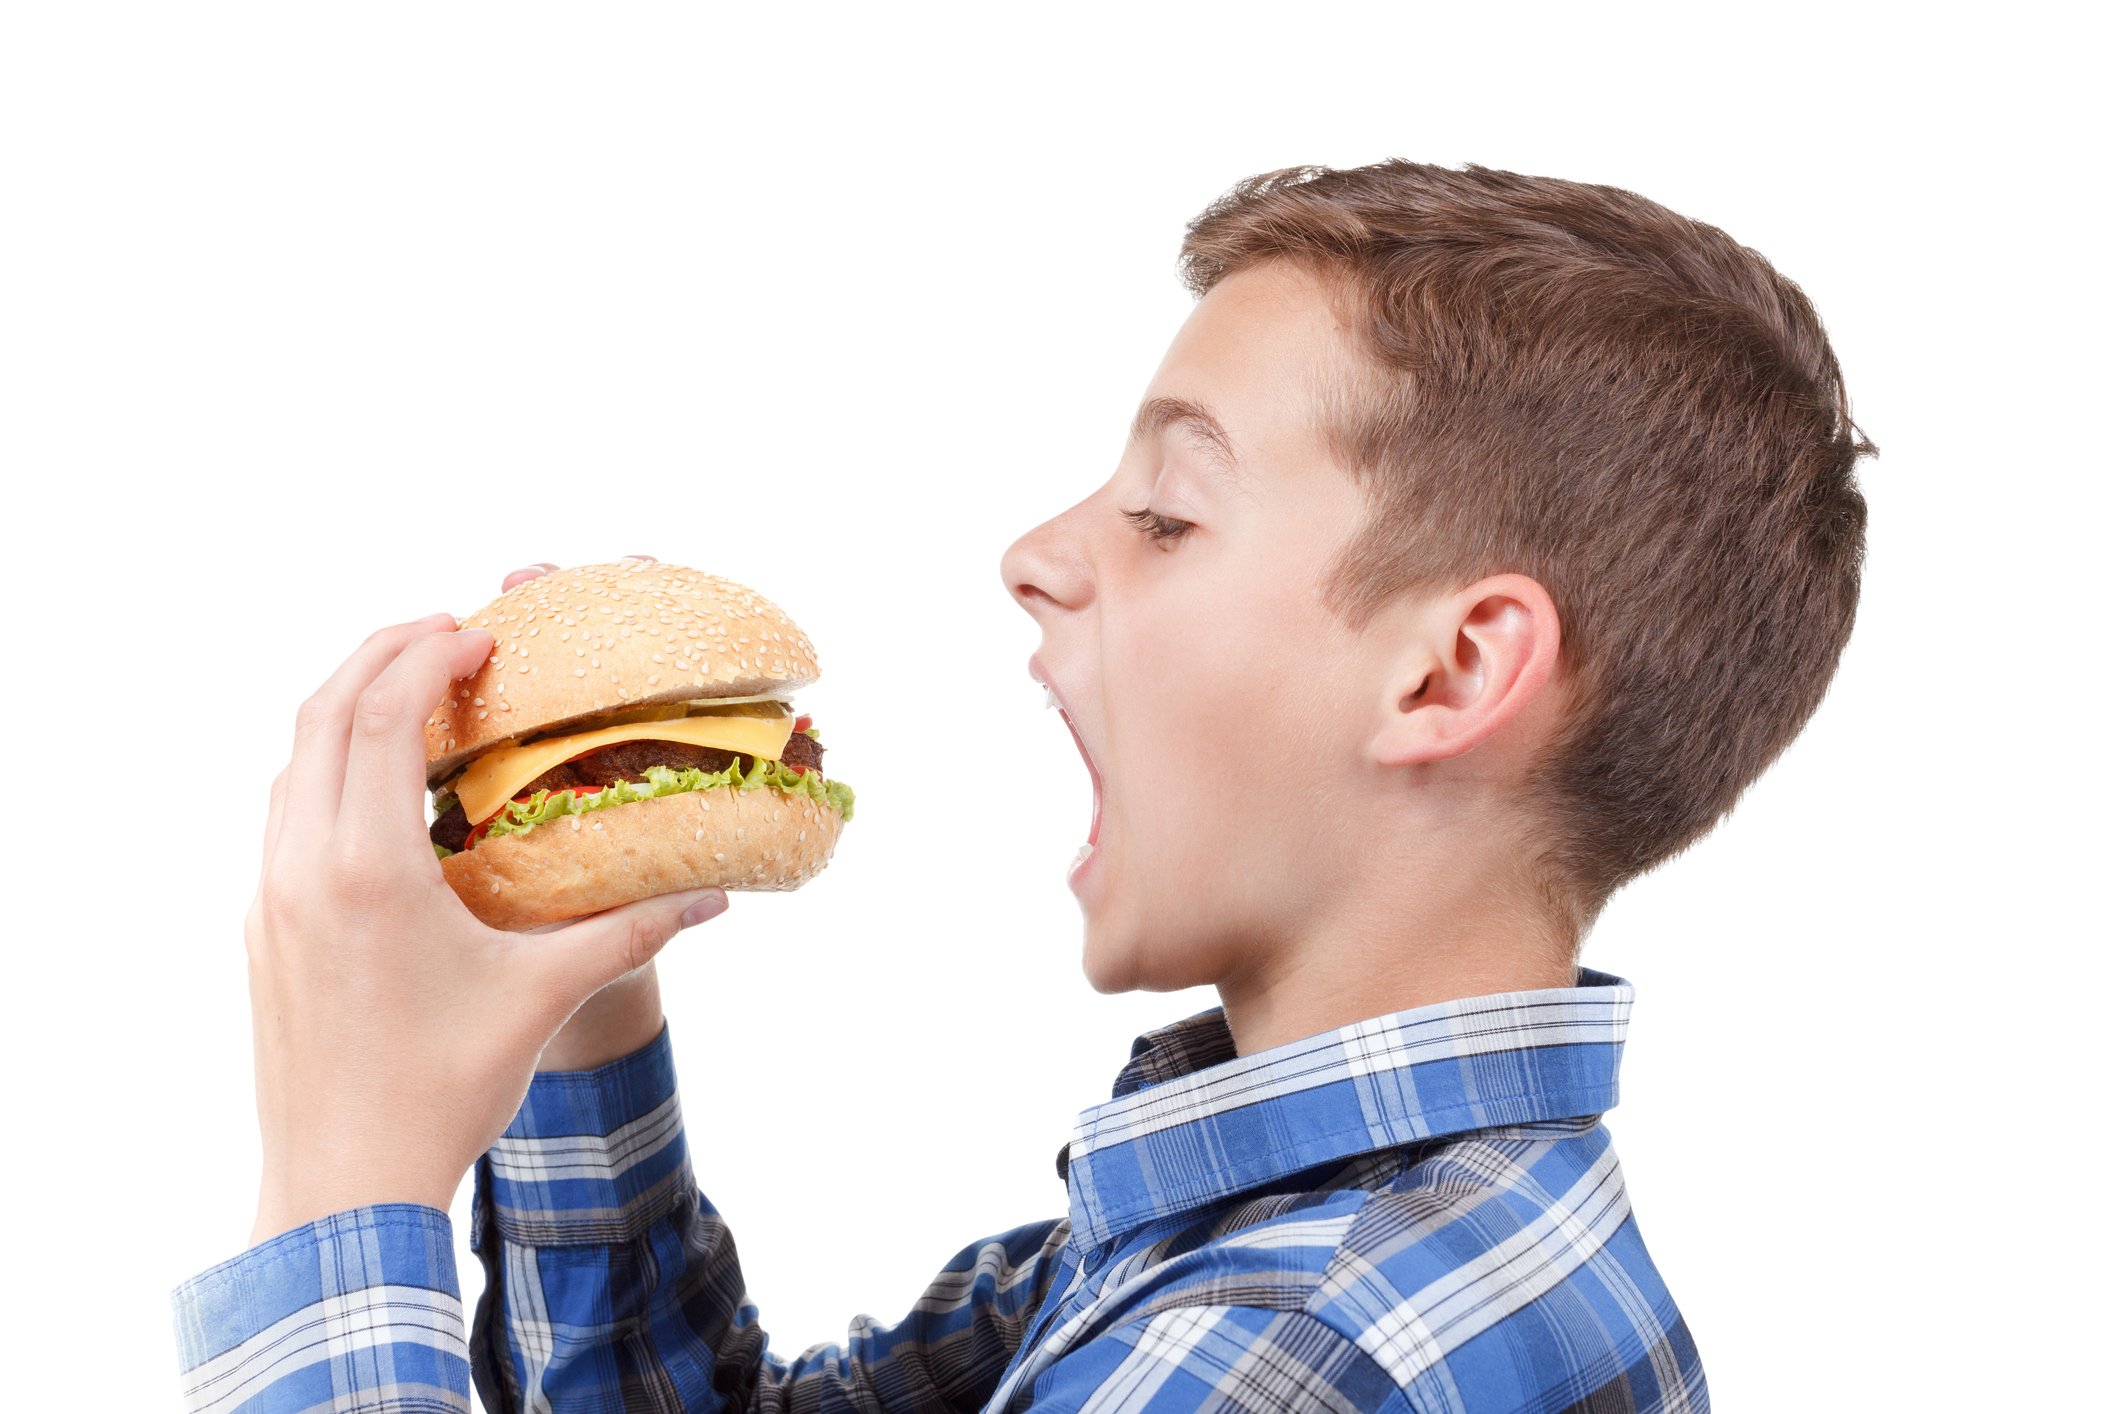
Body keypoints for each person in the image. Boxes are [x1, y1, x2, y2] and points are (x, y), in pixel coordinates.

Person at [171, 160, 1869, 1412]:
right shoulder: (1296, 1231)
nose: (1035, 553)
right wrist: (581, 1005)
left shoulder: (1277, 1352)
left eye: (1165, 513)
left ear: (1448, 673)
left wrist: (342, 1191)